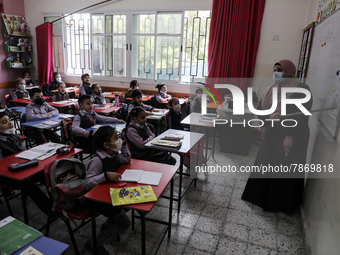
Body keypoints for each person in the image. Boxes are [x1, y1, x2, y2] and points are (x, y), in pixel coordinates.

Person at [241, 59, 313, 214]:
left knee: (283, 167)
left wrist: (289, 136)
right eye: (274, 70)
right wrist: (270, 116)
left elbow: (302, 115)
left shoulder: (301, 88)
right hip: (273, 133)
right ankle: (261, 198)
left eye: (279, 70)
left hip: (292, 134)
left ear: (289, 71)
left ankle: (279, 203)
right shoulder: (270, 90)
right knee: (267, 162)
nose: (276, 73)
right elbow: (261, 111)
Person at [84, 126, 130, 255]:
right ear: (106, 144)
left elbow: (126, 160)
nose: (119, 140)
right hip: (100, 200)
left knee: (129, 205)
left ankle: (109, 223)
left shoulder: (113, 153)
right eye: (116, 138)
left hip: (112, 194)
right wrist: (106, 176)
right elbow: (88, 183)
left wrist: (124, 145)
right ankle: (94, 243)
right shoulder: (97, 160)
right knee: (125, 223)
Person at [0, 111, 52, 214]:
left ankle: (59, 201)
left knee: (45, 174)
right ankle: (50, 210)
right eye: (4, 122)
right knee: (29, 184)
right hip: (8, 176)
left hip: (23, 167)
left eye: (9, 120)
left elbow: (24, 153)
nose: (10, 123)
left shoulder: (16, 137)